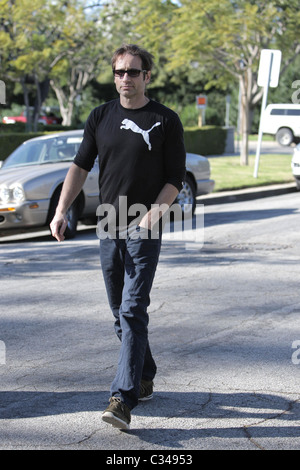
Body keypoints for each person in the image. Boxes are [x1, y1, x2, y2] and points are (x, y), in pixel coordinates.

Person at [50, 44, 186, 430]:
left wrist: (150, 219)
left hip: (144, 225)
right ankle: (145, 373)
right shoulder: (100, 116)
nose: (125, 78)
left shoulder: (165, 119)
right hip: (108, 223)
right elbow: (79, 166)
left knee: (131, 309)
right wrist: (61, 211)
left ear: (147, 76)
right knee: (118, 312)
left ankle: (122, 398)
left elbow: (174, 178)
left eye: (132, 71)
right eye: (119, 72)